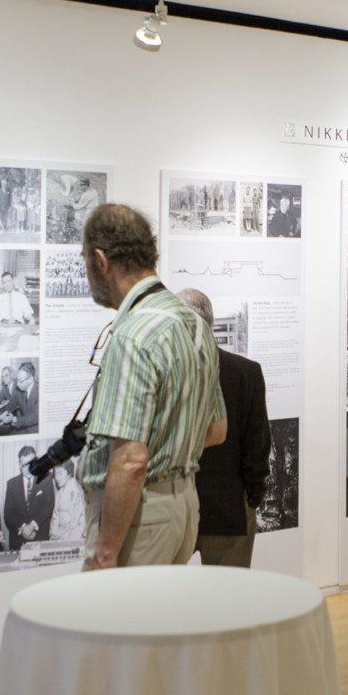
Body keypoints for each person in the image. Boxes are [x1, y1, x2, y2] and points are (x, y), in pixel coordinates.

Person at [76, 204, 227, 569]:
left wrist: (106, 552)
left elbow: (131, 460)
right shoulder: (193, 324)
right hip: (183, 508)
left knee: (117, 608)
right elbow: (216, 429)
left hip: (140, 516)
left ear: (100, 261)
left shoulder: (133, 334)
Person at [180, 289, 272, 566]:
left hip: (181, 504)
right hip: (230, 503)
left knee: (167, 589)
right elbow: (257, 442)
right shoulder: (246, 372)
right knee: (230, 590)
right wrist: (254, 491)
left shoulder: (170, 373)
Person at [2, 446, 54, 552]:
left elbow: (48, 506)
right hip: (18, 541)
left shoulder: (46, 479)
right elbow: (8, 514)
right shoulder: (11, 484)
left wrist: (32, 526)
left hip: (40, 537)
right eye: (25, 465)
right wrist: (23, 529)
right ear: (19, 465)